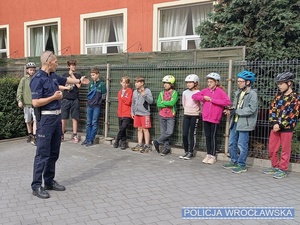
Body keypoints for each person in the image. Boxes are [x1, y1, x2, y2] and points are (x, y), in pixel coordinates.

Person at [30, 51, 89, 199]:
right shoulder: (37, 79)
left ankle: (49, 181)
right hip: (45, 120)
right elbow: (36, 102)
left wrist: (80, 80)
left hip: (56, 119)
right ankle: (36, 185)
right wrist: (53, 97)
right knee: (43, 153)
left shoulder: (53, 76)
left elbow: (65, 80)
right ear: (48, 62)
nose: (57, 64)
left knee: (54, 153)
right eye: (56, 61)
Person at [262, 72, 300, 179]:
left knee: (285, 149)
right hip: (275, 127)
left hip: (286, 129)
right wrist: (274, 123)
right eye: (278, 84)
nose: (279, 86)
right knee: (272, 148)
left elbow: (293, 114)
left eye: (281, 83)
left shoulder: (295, 98)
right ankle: (275, 166)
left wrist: (281, 125)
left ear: (289, 83)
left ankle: (283, 169)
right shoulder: (278, 96)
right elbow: (272, 110)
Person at [222, 70, 258, 173]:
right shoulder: (238, 93)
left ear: (248, 82)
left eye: (241, 81)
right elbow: (236, 106)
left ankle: (242, 165)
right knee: (231, 143)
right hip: (235, 122)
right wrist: (230, 109)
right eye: (238, 81)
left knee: (242, 145)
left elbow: (252, 109)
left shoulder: (252, 94)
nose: (238, 83)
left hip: (244, 123)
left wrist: (236, 111)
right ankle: (234, 161)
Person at [192, 72, 231, 164]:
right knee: (207, 136)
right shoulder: (205, 91)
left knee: (213, 137)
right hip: (206, 117)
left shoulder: (220, 92)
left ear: (216, 82)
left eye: (211, 82)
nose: (209, 83)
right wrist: (203, 98)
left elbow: (227, 102)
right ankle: (208, 154)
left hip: (215, 118)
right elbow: (194, 96)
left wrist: (212, 100)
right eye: (208, 82)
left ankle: (213, 155)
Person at [152, 75, 178, 156]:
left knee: (169, 132)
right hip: (162, 115)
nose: (165, 85)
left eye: (167, 83)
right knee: (164, 132)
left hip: (170, 116)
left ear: (171, 84)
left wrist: (163, 102)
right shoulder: (161, 93)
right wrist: (164, 103)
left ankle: (157, 141)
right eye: (164, 83)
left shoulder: (174, 93)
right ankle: (166, 148)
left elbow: (172, 103)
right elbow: (158, 104)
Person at [81, 68, 107, 147]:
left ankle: (91, 139)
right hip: (89, 105)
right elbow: (89, 94)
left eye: (94, 75)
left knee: (94, 123)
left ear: (97, 74)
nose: (92, 76)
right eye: (91, 75)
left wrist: (98, 101)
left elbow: (104, 95)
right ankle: (87, 138)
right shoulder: (91, 84)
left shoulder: (102, 84)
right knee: (88, 123)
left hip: (96, 106)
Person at [179, 74, 201, 160]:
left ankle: (191, 152)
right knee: (184, 133)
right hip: (186, 114)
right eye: (187, 82)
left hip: (194, 115)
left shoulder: (198, 92)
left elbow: (201, 104)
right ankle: (186, 151)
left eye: (190, 82)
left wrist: (199, 112)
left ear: (195, 83)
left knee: (192, 134)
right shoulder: (185, 92)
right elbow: (184, 103)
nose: (188, 84)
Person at [130, 76, 153, 153]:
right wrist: (132, 112)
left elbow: (151, 101)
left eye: (137, 82)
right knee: (139, 129)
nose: (136, 84)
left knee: (145, 129)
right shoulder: (134, 92)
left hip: (145, 114)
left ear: (142, 83)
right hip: (137, 114)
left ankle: (147, 145)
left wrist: (144, 95)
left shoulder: (147, 91)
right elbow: (133, 103)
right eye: (135, 82)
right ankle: (139, 144)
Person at [61, 59, 81, 143]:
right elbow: (60, 86)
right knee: (63, 118)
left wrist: (72, 75)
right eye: (72, 65)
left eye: (74, 65)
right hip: (65, 99)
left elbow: (78, 85)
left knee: (74, 118)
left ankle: (75, 135)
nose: (73, 66)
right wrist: (66, 88)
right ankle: (61, 135)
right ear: (69, 66)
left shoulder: (77, 75)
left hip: (75, 99)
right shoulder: (64, 75)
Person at [16, 62, 37, 146]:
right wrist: (19, 100)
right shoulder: (24, 80)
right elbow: (19, 90)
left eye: (33, 70)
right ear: (27, 70)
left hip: (35, 104)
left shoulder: (36, 78)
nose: (32, 71)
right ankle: (29, 134)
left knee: (35, 120)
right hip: (26, 104)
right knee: (28, 120)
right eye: (31, 70)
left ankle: (35, 136)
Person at [113, 76, 133, 150]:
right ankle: (123, 142)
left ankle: (117, 139)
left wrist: (122, 97)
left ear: (128, 84)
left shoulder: (130, 91)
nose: (124, 84)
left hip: (126, 113)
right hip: (120, 113)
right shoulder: (119, 92)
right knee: (122, 129)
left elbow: (128, 102)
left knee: (123, 127)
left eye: (126, 83)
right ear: (121, 83)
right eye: (123, 82)